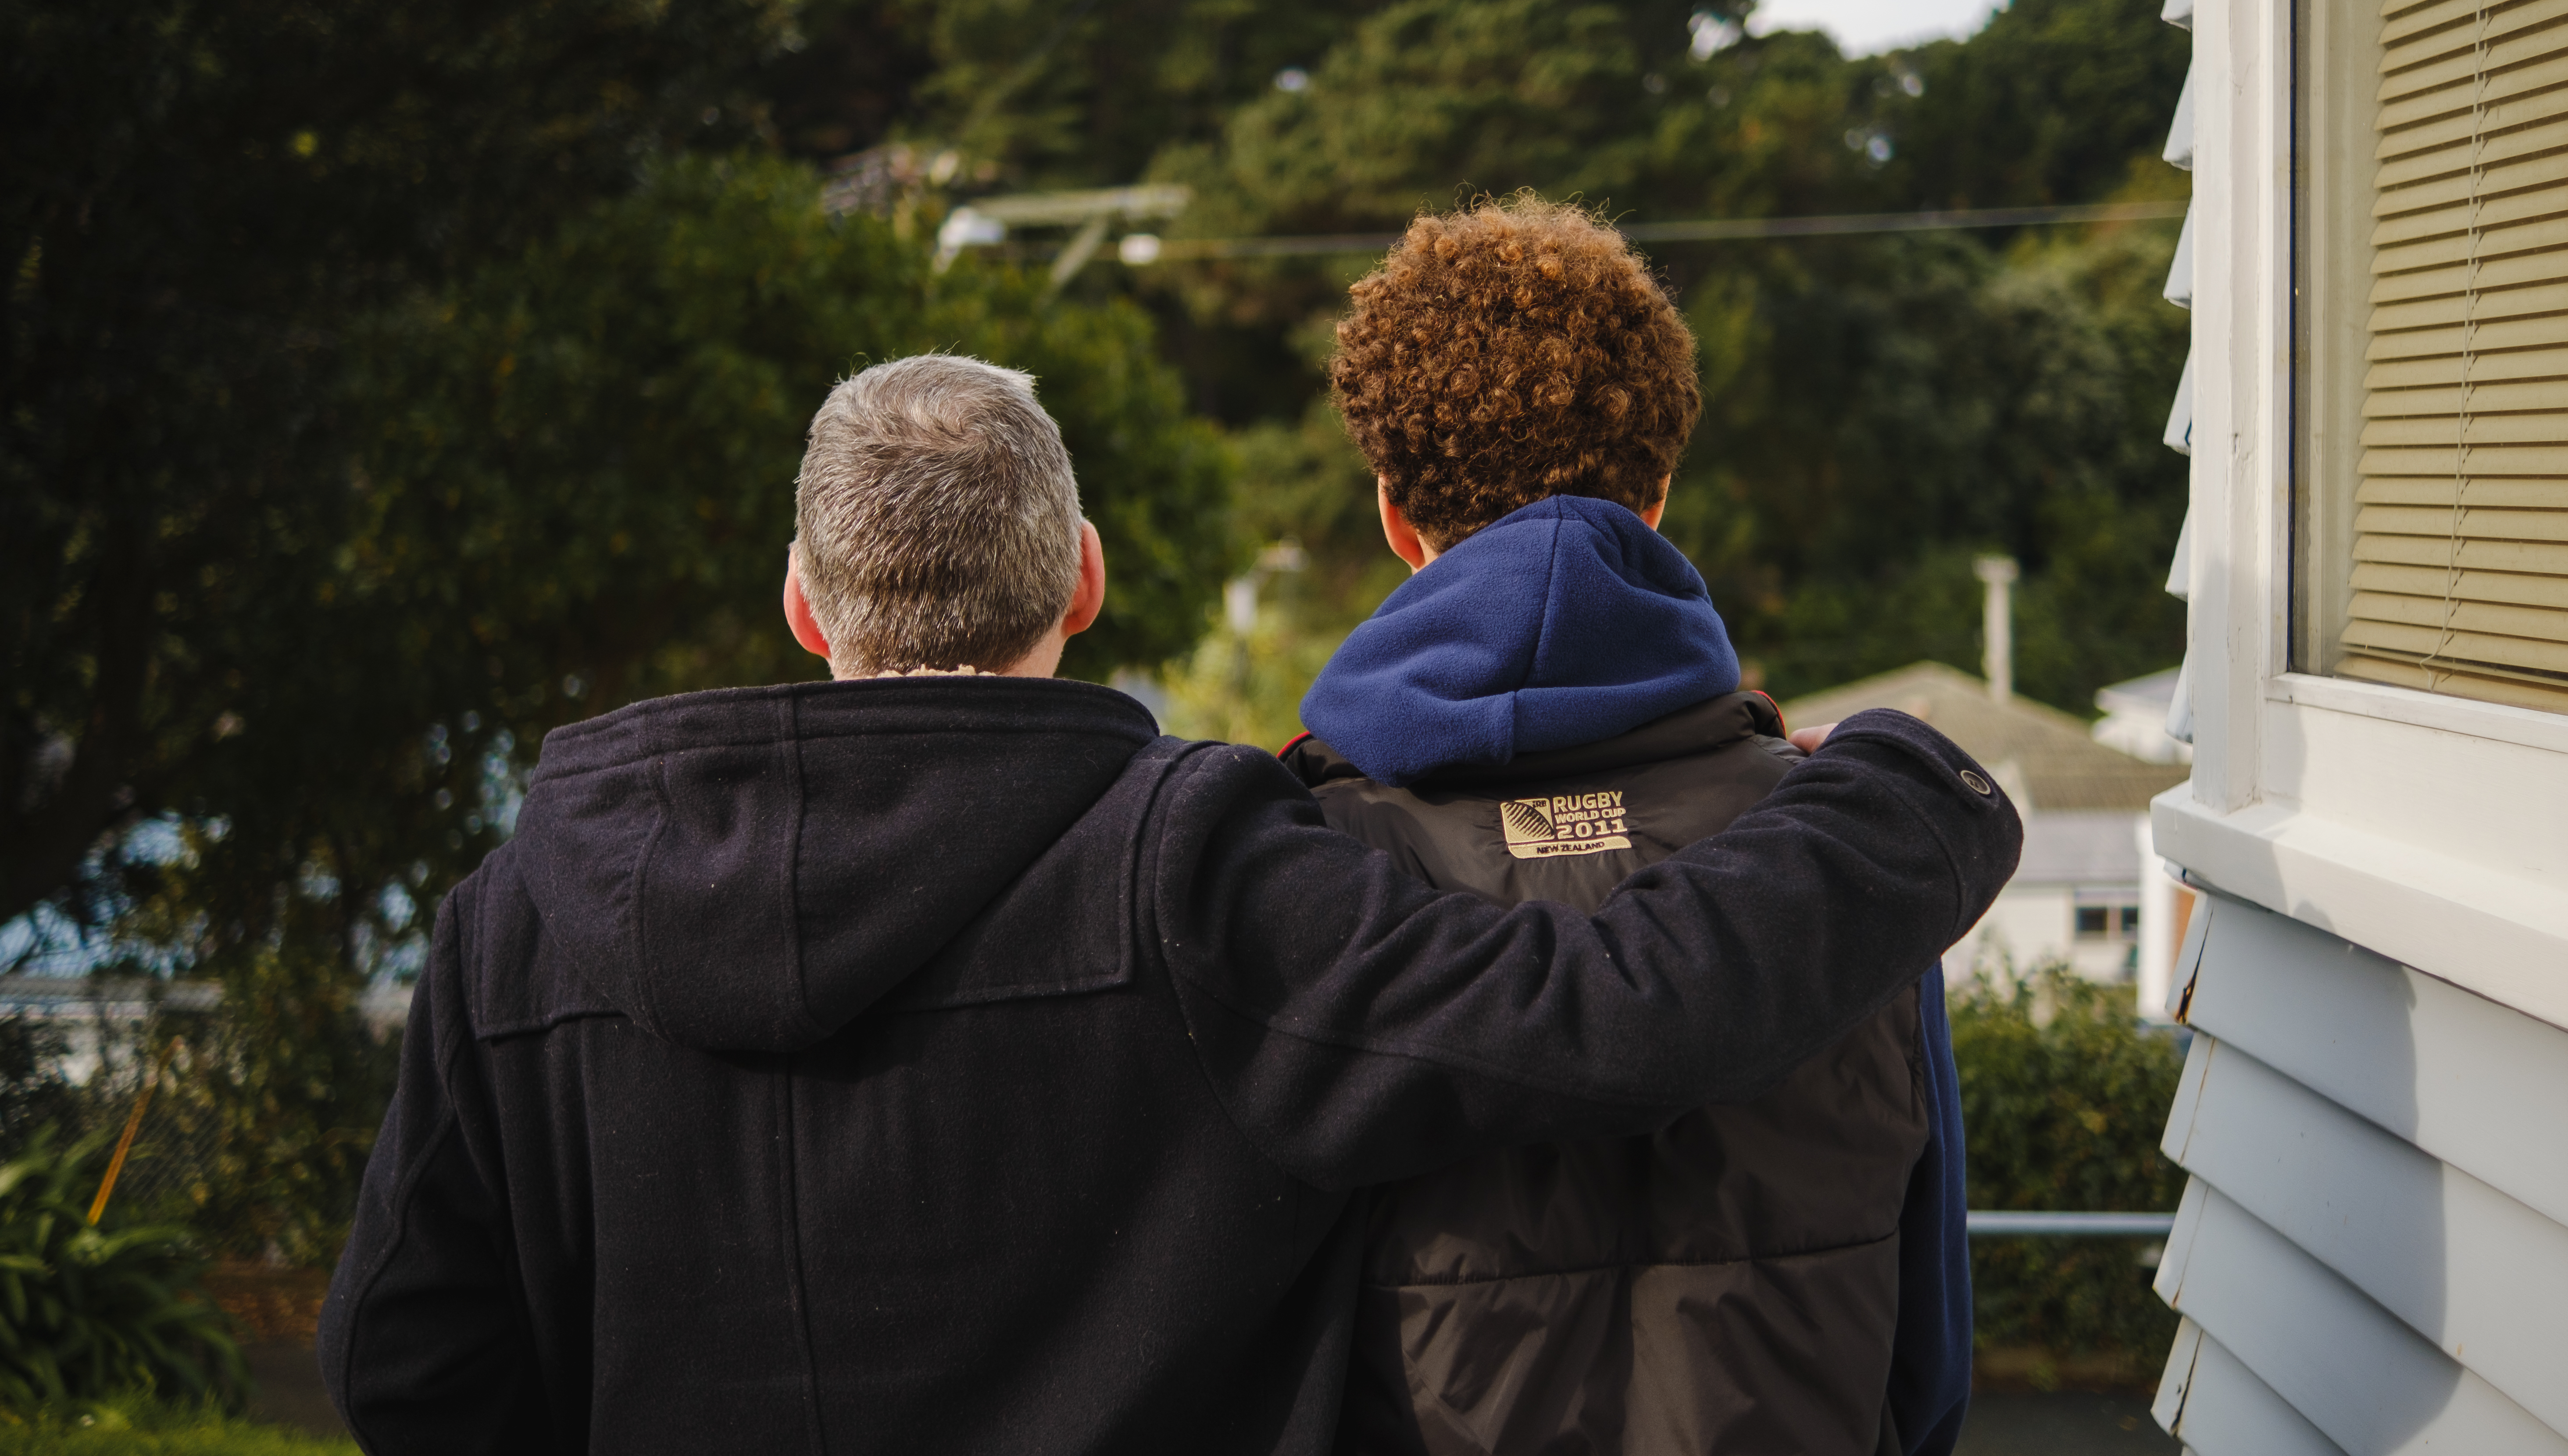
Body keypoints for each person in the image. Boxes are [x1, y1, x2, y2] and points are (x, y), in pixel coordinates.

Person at [318, 353, 2017, 1455]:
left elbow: (407, 1358)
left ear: (802, 603)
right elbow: (1612, 1016)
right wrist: (1893, 793)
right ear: (1082, 578)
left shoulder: (517, 921)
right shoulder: (1198, 871)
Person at [1280, 196, 1973, 1456]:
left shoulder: (1297, 862)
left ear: (1393, 514)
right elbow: (1927, 1361)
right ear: (1655, 496)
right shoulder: (1848, 849)